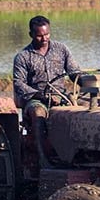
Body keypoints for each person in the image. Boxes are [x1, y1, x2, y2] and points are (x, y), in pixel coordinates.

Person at [13, 15, 79, 167]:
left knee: (83, 109)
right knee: (38, 113)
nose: (44, 38)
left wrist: (87, 82)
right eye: (39, 35)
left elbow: (74, 72)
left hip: (61, 97)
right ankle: (43, 159)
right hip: (35, 100)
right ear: (31, 34)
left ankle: (75, 156)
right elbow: (19, 83)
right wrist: (40, 96)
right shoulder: (23, 57)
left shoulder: (61, 50)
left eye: (47, 34)